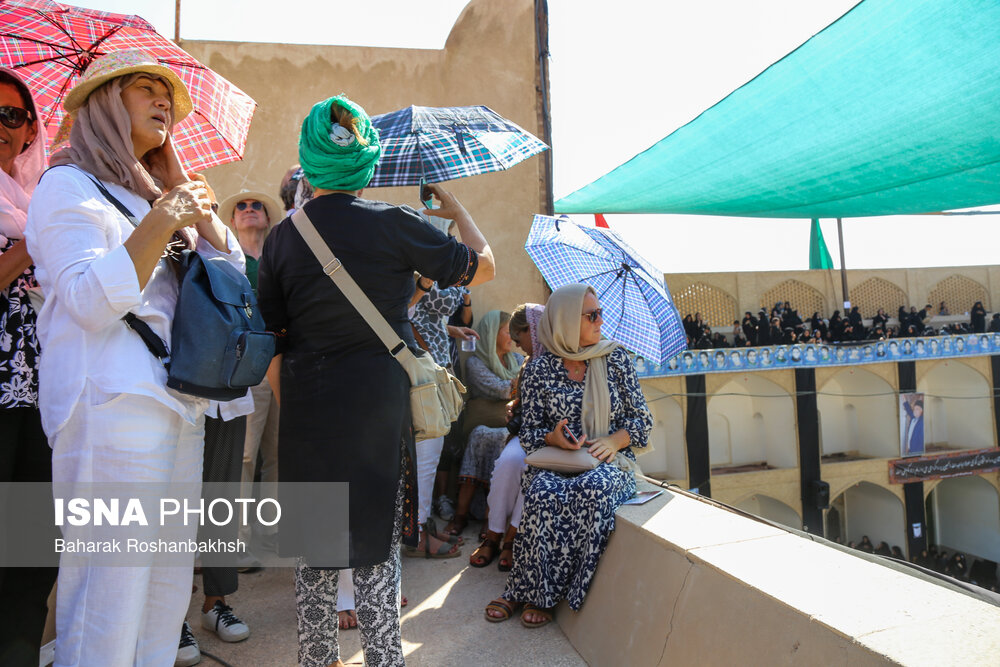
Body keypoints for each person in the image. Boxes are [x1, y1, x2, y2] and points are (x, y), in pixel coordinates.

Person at [258, 94, 494, 666]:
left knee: (315, 559)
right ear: (368, 163)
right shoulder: (396, 224)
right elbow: (482, 266)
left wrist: (297, 408)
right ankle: (384, 658)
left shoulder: (282, 238)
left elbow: (272, 343)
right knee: (377, 550)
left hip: (309, 412)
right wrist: (456, 205)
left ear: (309, 161)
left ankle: (316, 660)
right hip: (376, 408)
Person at [25, 50, 242, 665]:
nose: (163, 100)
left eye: (166, 91)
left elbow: (231, 277)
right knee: (109, 593)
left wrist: (189, 205)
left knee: (164, 588)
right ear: (104, 107)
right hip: (109, 403)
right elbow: (90, 300)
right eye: (145, 88)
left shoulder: (151, 192)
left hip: (179, 402)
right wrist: (161, 218)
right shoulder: (66, 185)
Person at [485, 284, 652, 628]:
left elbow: (642, 421)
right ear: (563, 320)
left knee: (591, 491)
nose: (599, 321)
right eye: (591, 316)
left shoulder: (615, 358)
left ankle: (544, 595)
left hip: (609, 463)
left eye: (599, 313)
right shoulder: (537, 371)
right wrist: (554, 438)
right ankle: (528, 590)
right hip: (557, 461)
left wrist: (615, 440)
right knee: (543, 493)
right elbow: (528, 434)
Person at [0, 66, 58, 667]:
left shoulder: (31, 198)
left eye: (13, 114)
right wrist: (32, 242)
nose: (1, 124)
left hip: (41, 398)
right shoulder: (32, 219)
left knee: (32, 551)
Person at [218, 189, 284, 570]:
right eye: (240, 206)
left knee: (277, 454)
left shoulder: (276, 260)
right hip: (247, 366)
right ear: (231, 221)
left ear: (266, 216)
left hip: (282, 363)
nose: (247, 209)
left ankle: (269, 533)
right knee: (244, 454)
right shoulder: (227, 261)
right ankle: (237, 540)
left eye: (255, 205)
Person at [444, 310, 523, 546]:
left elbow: (520, 390)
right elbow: (500, 389)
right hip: (481, 426)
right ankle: (461, 515)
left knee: (504, 440)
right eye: (507, 331)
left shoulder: (518, 361)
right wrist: (515, 385)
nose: (513, 336)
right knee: (481, 436)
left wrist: (516, 386)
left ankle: (491, 520)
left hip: (507, 428)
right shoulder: (476, 363)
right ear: (491, 334)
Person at [481, 303, 544, 572]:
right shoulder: (529, 364)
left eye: (521, 339)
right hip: (526, 435)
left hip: (549, 440)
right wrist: (515, 406)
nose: (519, 347)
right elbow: (523, 401)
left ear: (536, 330)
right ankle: (493, 533)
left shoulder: (561, 361)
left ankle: (511, 539)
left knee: (532, 468)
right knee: (508, 463)